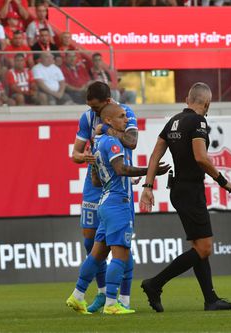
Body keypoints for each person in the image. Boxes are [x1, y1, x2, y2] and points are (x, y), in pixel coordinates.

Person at [139, 82, 231, 313]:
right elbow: (201, 158)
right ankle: (155, 284)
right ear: (207, 103)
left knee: (198, 246)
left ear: (187, 99)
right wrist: (223, 182)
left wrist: (148, 185)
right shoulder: (199, 122)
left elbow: (156, 153)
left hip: (178, 190)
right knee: (204, 248)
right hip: (191, 190)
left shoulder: (173, 121)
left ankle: (211, 299)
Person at [66, 103, 170, 315]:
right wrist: (150, 170)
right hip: (118, 203)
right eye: (122, 117)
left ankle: (77, 296)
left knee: (96, 254)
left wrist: (113, 179)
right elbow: (121, 168)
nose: (126, 119)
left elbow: (95, 180)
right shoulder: (113, 142)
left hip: (104, 201)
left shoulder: (97, 143)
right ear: (109, 121)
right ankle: (112, 303)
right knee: (121, 255)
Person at [70, 81, 139, 313]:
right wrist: (86, 158)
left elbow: (132, 142)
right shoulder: (88, 118)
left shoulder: (125, 114)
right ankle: (104, 296)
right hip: (98, 180)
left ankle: (123, 299)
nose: (93, 112)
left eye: (96, 108)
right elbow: (75, 154)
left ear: (108, 102)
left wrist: (105, 129)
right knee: (92, 243)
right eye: (90, 107)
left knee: (120, 244)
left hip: (119, 181)